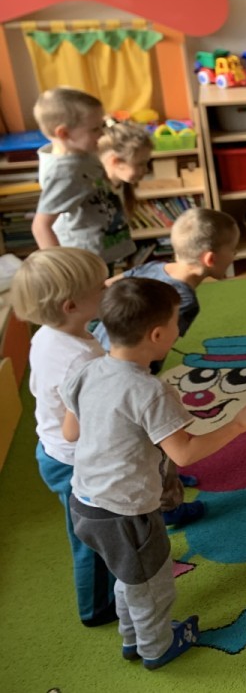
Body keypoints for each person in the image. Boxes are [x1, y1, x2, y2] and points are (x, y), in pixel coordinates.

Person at [62, 277, 246, 668]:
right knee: (152, 584)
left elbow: (71, 432)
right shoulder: (149, 391)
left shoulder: (86, 371)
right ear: (157, 335)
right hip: (127, 513)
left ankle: (132, 638)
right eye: (176, 321)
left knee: (128, 576)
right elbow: (185, 452)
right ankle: (155, 647)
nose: (179, 329)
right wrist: (237, 425)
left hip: (83, 503)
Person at [92, 208, 242, 528]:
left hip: (106, 355)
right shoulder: (184, 298)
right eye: (234, 249)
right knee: (156, 431)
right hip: (129, 370)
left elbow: (111, 284)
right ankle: (169, 505)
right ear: (211, 259)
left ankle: (164, 474)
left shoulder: (153, 266)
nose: (236, 255)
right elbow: (158, 344)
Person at [11, 247, 115, 627]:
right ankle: (96, 608)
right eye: (101, 287)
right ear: (71, 306)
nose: (108, 288)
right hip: (75, 461)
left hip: (54, 450)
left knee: (92, 531)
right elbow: (85, 423)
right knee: (90, 538)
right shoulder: (80, 360)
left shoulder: (49, 335)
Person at [31, 87, 135, 269]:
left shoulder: (81, 151)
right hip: (84, 257)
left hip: (101, 246)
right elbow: (41, 226)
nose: (102, 133)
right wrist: (61, 269)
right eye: (95, 129)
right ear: (64, 133)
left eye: (102, 126)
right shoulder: (64, 172)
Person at [97, 119, 152, 211]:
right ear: (115, 161)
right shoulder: (95, 193)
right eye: (140, 164)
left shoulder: (123, 186)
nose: (146, 170)